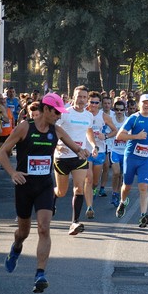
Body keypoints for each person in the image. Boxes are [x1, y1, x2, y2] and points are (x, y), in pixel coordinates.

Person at [0, 93, 90, 293]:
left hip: (45, 186)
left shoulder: (56, 130)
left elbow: (75, 147)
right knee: (24, 232)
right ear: (46, 109)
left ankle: (40, 274)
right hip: (24, 185)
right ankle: (16, 248)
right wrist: (12, 173)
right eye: (56, 112)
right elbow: (1, 152)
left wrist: (83, 152)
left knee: (44, 228)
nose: (58, 116)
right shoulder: (24, 127)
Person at [53, 86, 97, 236]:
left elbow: (89, 131)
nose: (82, 100)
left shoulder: (88, 116)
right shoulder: (64, 113)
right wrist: (57, 147)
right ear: (73, 97)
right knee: (61, 191)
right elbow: (54, 130)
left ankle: (74, 223)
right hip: (62, 157)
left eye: (85, 97)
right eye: (79, 96)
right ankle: (53, 196)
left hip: (80, 157)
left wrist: (93, 145)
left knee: (79, 188)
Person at [114, 94, 148, 227]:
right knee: (127, 186)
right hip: (131, 157)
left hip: (146, 159)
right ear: (140, 104)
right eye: (144, 103)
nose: (146, 105)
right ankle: (122, 202)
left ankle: (143, 215)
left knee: (144, 187)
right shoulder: (133, 118)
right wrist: (136, 136)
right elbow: (119, 135)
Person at [84, 92, 117, 218]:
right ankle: (89, 206)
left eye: (96, 102)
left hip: (100, 151)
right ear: (88, 102)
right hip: (86, 150)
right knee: (89, 178)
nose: (93, 105)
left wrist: (106, 136)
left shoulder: (104, 116)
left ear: (100, 104)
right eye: (91, 102)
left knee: (95, 181)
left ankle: (93, 190)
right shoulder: (84, 114)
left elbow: (115, 131)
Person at [108, 100, 128, 207]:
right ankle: (114, 193)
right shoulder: (111, 121)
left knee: (121, 175)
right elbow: (108, 133)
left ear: (125, 110)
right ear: (114, 110)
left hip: (125, 152)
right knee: (116, 173)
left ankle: (118, 193)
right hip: (114, 150)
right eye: (117, 110)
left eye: (121, 110)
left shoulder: (128, 120)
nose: (119, 112)